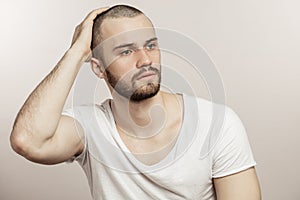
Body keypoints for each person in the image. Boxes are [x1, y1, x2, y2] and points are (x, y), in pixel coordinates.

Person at [10, 5, 261, 200]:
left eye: (150, 45)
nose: (145, 60)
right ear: (98, 68)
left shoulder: (216, 124)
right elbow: (28, 140)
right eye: (126, 51)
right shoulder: (91, 127)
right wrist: (76, 52)